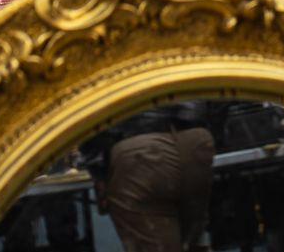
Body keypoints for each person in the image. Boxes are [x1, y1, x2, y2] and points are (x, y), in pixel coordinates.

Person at [81, 103, 215, 252]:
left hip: (136, 147)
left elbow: (88, 113)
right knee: (192, 241)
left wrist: (98, 173)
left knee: (153, 242)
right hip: (195, 139)